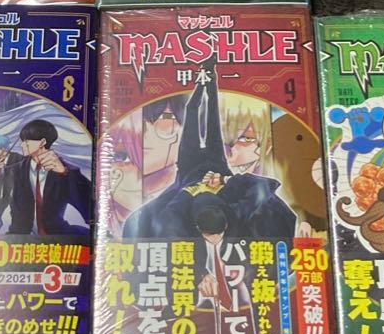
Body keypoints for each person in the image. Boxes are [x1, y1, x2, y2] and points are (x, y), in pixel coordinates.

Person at [121, 62, 301, 241]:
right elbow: (264, 186)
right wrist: (224, 180)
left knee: (201, 116)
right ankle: (210, 78)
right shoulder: (232, 203)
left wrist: (192, 191)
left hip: (192, 170)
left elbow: (169, 217)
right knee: (207, 117)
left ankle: (209, 79)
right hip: (211, 169)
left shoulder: (182, 205)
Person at [7, 119, 91, 235]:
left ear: (42, 142)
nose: (22, 145)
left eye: (26, 141)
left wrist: (64, 173)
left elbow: (90, 212)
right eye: (22, 141)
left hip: (57, 236)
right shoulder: (15, 170)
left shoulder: (66, 171)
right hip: (20, 237)